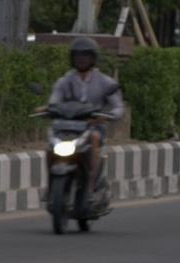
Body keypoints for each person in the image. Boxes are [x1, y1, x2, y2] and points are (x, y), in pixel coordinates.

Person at [44, 37, 124, 203]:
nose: (81, 60)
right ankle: (51, 185)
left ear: (93, 58)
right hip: (66, 127)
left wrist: (106, 116)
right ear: (72, 59)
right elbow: (54, 101)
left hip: (92, 127)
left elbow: (118, 108)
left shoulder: (104, 81)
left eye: (85, 56)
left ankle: (90, 187)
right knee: (50, 143)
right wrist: (48, 109)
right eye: (77, 56)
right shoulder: (64, 81)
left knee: (94, 138)